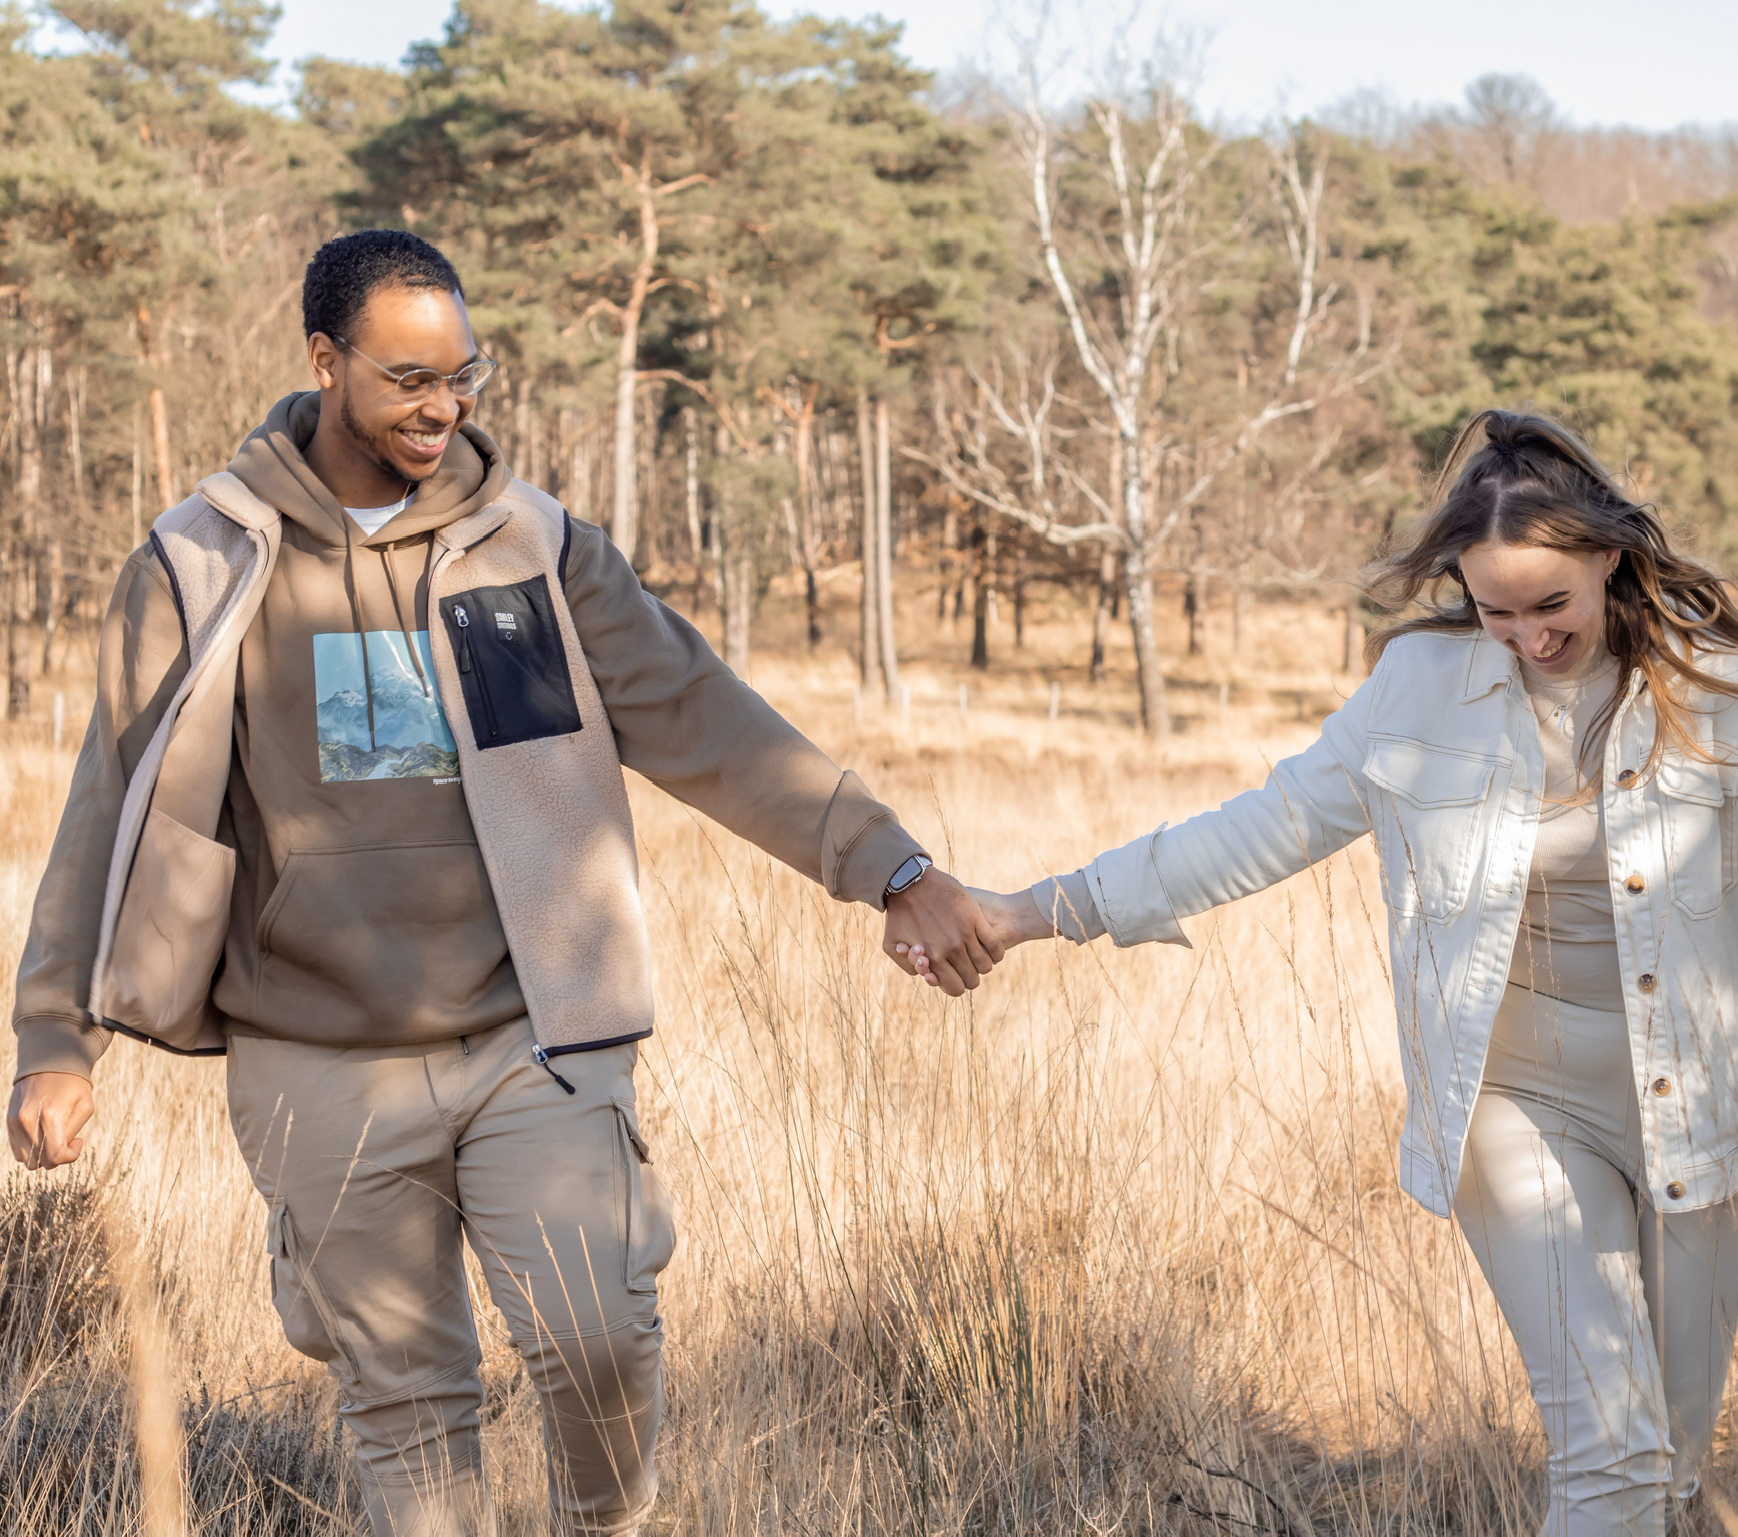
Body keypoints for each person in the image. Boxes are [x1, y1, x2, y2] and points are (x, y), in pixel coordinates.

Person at [7, 229, 1003, 1536]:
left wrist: (891, 865)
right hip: (311, 1055)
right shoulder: (202, 559)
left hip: (529, 1028)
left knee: (597, 1336)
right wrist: (50, 1035)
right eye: (410, 378)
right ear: (324, 361)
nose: (445, 405)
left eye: (463, 374)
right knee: (407, 1410)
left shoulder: (529, 548)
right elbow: (107, 803)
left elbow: (701, 712)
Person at [951, 411, 1738, 1535]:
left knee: (1669, 1473)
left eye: (1550, 605)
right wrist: (1034, 910)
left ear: (1608, 556)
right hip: (1515, 1101)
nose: (1526, 637)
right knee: (1609, 1454)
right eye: (1495, 610)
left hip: (1707, 1110)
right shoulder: (1420, 687)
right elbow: (1257, 829)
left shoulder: (1730, 696)